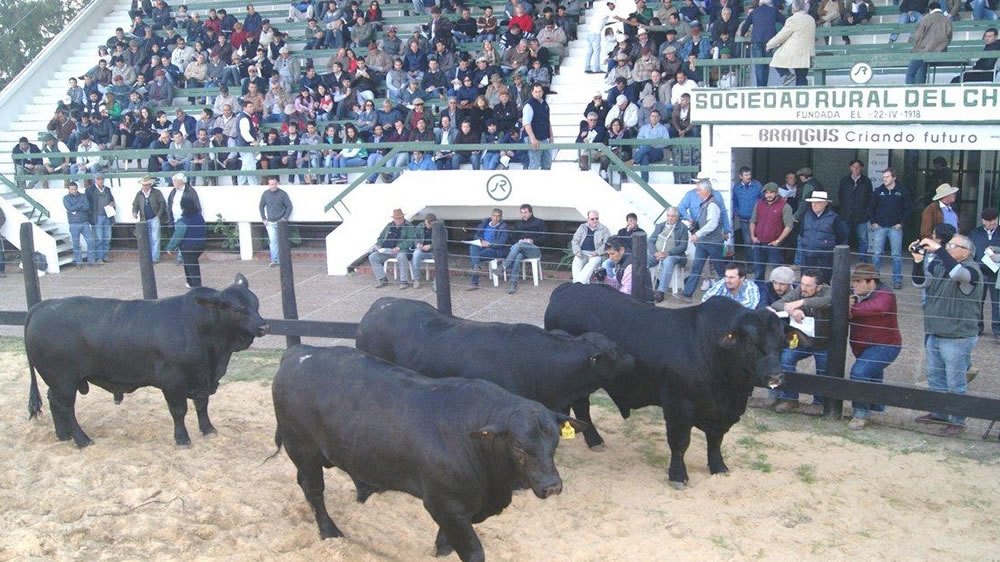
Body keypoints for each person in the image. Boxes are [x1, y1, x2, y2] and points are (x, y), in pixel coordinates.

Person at [911, 233, 982, 435]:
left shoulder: (972, 270)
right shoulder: (942, 266)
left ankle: (958, 421)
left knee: (956, 382)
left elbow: (959, 275)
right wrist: (918, 260)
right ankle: (939, 413)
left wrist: (939, 250)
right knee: (935, 378)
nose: (948, 247)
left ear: (966, 251)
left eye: (953, 245)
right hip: (935, 331)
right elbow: (920, 282)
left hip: (958, 336)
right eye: (948, 245)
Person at [767, 269, 831, 414]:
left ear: (819, 287)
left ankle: (819, 403)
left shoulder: (827, 291)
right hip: (804, 341)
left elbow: (828, 301)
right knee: (786, 359)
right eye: (802, 284)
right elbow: (778, 304)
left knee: (823, 371)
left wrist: (801, 302)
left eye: (809, 286)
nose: (804, 288)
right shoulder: (799, 291)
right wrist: (793, 310)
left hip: (825, 343)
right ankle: (790, 399)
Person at [846, 263, 902, 430]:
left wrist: (849, 308)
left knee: (859, 372)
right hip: (863, 345)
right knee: (873, 377)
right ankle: (876, 410)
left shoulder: (886, 294)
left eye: (858, 281)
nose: (854, 285)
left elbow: (876, 308)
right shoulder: (855, 294)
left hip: (885, 345)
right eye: (853, 282)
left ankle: (861, 413)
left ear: (871, 282)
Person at [681, 179, 727, 300]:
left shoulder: (712, 204)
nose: (697, 192)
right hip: (705, 242)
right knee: (697, 267)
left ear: (706, 191)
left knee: (719, 269)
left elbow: (712, 224)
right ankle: (687, 294)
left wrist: (698, 234)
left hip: (712, 242)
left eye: (699, 190)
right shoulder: (708, 202)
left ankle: (728, 293)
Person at [869, 168, 912, 290]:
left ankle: (897, 279)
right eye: (883, 177)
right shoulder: (878, 191)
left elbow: (908, 209)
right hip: (880, 227)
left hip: (895, 228)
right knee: (877, 254)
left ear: (894, 177)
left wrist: (902, 223)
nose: (884, 179)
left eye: (887, 177)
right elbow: (871, 207)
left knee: (896, 255)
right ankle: (874, 279)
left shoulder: (902, 191)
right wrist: (873, 222)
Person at [496, 203, 546, 294]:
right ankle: (513, 284)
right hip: (521, 249)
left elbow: (544, 238)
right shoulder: (518, 224)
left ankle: (503, 267)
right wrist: (520, 240)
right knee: (518, 255)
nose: (524, 214)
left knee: (519, 245)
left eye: (525, 212)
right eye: (522, 212)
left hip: (534, 250)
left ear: (531, 212)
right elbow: (513, 238)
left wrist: (532, 241)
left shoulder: (539, 222)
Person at [799, 191, 847, 282]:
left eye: (817, 202)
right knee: (806, 282)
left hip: (824, 258)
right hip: (807, 256)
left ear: (825, 203)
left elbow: (842, 236)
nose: (814, 205)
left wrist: (827, 245)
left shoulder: (834, 217)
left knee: (823, 283)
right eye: (813, 202)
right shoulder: (806, 215)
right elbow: (802, 233)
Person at [749, 182, 793, 281]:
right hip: (759, 243)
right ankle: (759, 292)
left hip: (774, 245)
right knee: (758, 271)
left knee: (777, 272)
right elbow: (752, 221)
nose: (768, 195)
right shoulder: (759, 203)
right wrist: (752, 236)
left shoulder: (785, 206)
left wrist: (778, 241)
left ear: (777, 193)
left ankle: (778, 294)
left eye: (771, 192)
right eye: (767, 192)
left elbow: (789, 226)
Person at [765, 0, 815, 86]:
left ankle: (788, 75)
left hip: (795, 52)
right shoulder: (811, 19)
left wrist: (769, 45)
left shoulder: (792, 19)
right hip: (807, 53)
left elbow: (781, 36)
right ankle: (803, 95)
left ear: (793, 8)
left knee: (776, 56)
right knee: (802, 76)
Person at [969, 207, 1000, 341]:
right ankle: (977, 327)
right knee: (977, 301)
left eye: (995, 219)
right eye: (990, 220)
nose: (993, 222)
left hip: (996, 273)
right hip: (979, 272)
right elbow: (969, 251)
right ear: (983, 221)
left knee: (997, 303)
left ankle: (998, 330)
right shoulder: (975, 233)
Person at [648, 207, 689, 303]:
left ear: (677, 217)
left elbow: (683, 246)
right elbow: (651, 241)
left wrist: (667, 253)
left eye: (673, 216)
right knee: (643, 259)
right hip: (657, 254)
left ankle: (661, 292)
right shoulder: (660, 226)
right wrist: (655, 252)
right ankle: (644, 287)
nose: (670, 218)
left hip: (673, 255)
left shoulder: (682, 227)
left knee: (668, 262)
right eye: (668, 216)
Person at [905, 2, 952, 85]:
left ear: (930, 9)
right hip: (940, 52)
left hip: (924, 51)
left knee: (910, 74)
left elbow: (918, 35)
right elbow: (949, 38)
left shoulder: (926, 18)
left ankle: (913, 90)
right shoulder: (947, 20)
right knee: (922, 62)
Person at [165, 195, 206, 288]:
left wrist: (170, 247)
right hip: (201, 244)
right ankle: (190, 282)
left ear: (182, 207)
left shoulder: (183, 221)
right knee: (189, 262)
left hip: (188, 247)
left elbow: (177, 236)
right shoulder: (199, 217)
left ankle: (197, 287)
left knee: (191, 265)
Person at [369, 208, 416, 289]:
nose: (397, 220)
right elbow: (381, 237)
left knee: (401, 256)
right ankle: (382, 279)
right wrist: (378, 245)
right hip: (387, 250)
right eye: (396, 218)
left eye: (399, 218)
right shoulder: (389, 225)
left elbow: (411, 240)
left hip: (400, 250)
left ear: (403, 217)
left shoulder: (409, 226)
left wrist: (398, 247)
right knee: (373, 257)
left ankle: (404, 281)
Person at [837, 159, 873, 261]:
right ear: (850, 168)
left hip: (861, 215)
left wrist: (866, 212)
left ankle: (862, 261)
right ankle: (842, 261)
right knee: (844, 239)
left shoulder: (866, 181)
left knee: (863, 240)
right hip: (846, 214)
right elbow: (840, 196)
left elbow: (870, 198)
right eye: (854, 167)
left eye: (858, 167)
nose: (856, 169)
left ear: (861, 168)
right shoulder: (845, 180)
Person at [467, 208, 510, 290]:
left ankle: (474, 282)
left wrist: (489, 244)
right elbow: (476, 235)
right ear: (491, 216)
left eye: (498, 216)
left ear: (501, 217)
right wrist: (481, 240)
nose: (495, 218)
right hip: (481, 246)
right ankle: (476, 267)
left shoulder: (504, 227)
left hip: (495, 249)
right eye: (494, 216)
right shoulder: (484, 224)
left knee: (474, 258)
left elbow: (502, 242)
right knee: (472, 246)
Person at [131, 175, 168, 262]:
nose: (145, 186)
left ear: (150, 185)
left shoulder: (156, 192)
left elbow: (162, 204)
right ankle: (150, 257)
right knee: (148, 238)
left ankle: (155, 257)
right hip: (144, 219)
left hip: (154, 218)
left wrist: (158, 216)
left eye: (146, 185)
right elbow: (135, 205)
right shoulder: (139, 194)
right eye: (143, 185)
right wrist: (134, 212)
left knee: (155, 238)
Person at [166, 173, 201, 265]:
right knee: (179, 237)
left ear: (181, 181)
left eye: (175, 180)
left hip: (186, 219)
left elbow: (196, 205)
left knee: (182, 238)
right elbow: (170, 205)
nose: (173, 182)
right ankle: (181, 257)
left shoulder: (190, 191)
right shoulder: (173, 191)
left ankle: (181, 257)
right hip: (175, 218)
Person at [259, 177, 293, 267]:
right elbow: (261, 206)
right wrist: (264, 218)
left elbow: (289, 206)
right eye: (271, 184)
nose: (273, 186)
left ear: (277, 183)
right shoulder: (265, 194)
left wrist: (285, 218)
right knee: (273, 241)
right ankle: (275, 260)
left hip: (281, 222)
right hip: (270, 222)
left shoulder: (282, 194)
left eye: (274, 184)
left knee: (283, 241)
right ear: (268, 185)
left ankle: (284, 259)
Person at [731, 166, 763, 258]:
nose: (748, 176)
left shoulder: (757, 185)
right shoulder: (736, 188)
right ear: (740, 176)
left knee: (758, 240)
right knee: (747, 241)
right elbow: (735, 202)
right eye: (746, 175)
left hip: (757, 219)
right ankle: (750, 264)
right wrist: (738, 212)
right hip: (744, 219)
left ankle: (759, 262)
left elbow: (763, 199)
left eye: (749, 174)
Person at [571, 210, 611, 284]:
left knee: (591, 264)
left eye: (597, 218)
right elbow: (575, 240)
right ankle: (579, 284)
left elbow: (607, 244)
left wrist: (596, 252)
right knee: (576, 262)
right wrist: (577, 251)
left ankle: (578, 284)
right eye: (592, 219)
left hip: (597, 254)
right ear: (588, 219)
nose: (595, 220)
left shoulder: (604, 229)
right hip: (582, 252)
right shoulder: (582, 227)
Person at [64, 182, 97, 269]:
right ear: (69, 190)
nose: (74, 191)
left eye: (75, 189)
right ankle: (79, 262)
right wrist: (80, 204)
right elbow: (69, 208)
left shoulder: (83, 196)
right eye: (72, 189)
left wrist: (76, 207)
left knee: (90, 242)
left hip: (84, 222)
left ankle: (91, 261)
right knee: (76, 244)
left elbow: (87, 206)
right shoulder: (66, 198)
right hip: (74, 223)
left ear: (77, 188)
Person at [85, 174, 116, 263]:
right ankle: (99, 257)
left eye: (102, 179)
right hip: (97, 217)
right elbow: (87, 205)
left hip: (107, 216)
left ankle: (105, 255)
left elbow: (112, 200)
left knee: (107, 237)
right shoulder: (90, 190)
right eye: (98, 179)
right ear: (95, 180)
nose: (100, 181)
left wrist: (112, 203)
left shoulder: (107, 190)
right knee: (99, 238)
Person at [633, 110, 669, 182]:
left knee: (647, 147)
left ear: (659, 118)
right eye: (652, 116)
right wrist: (647, 145)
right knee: (644, 157)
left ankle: (635, 159)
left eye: (656, 116)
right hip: (645, 151)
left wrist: (654, 145)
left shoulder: (663, 129)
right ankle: (644, 181)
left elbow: (666, 142)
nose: (654, 118)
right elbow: (639, 139)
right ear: (650, 118)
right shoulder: (644, 128)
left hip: (657, 152)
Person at [522, 83, 552, 170]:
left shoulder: (545, 104)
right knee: (534, 165)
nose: (538, 93)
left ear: (542, 92)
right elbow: (527, 124)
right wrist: (533, 138)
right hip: (534, 139)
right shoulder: (528, 105)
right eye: (536, 92)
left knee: (547, 164)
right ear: (532, 92)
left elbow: (547, 120)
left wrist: (551, 135)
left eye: (539, 91)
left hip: (544, 138)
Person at [410, 213, 437, 289]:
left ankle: (437, 280)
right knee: (416, 254)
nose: (428, 226)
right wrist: (417, 244)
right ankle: (416, 279)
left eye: (430, 225)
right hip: (422, 250)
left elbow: (443, 241)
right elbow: (414, 238)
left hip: (434, 251)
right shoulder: (420, 226)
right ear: (425, 221)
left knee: (439, 256)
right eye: (427, 224)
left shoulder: (439, 227)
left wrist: (431, 246)